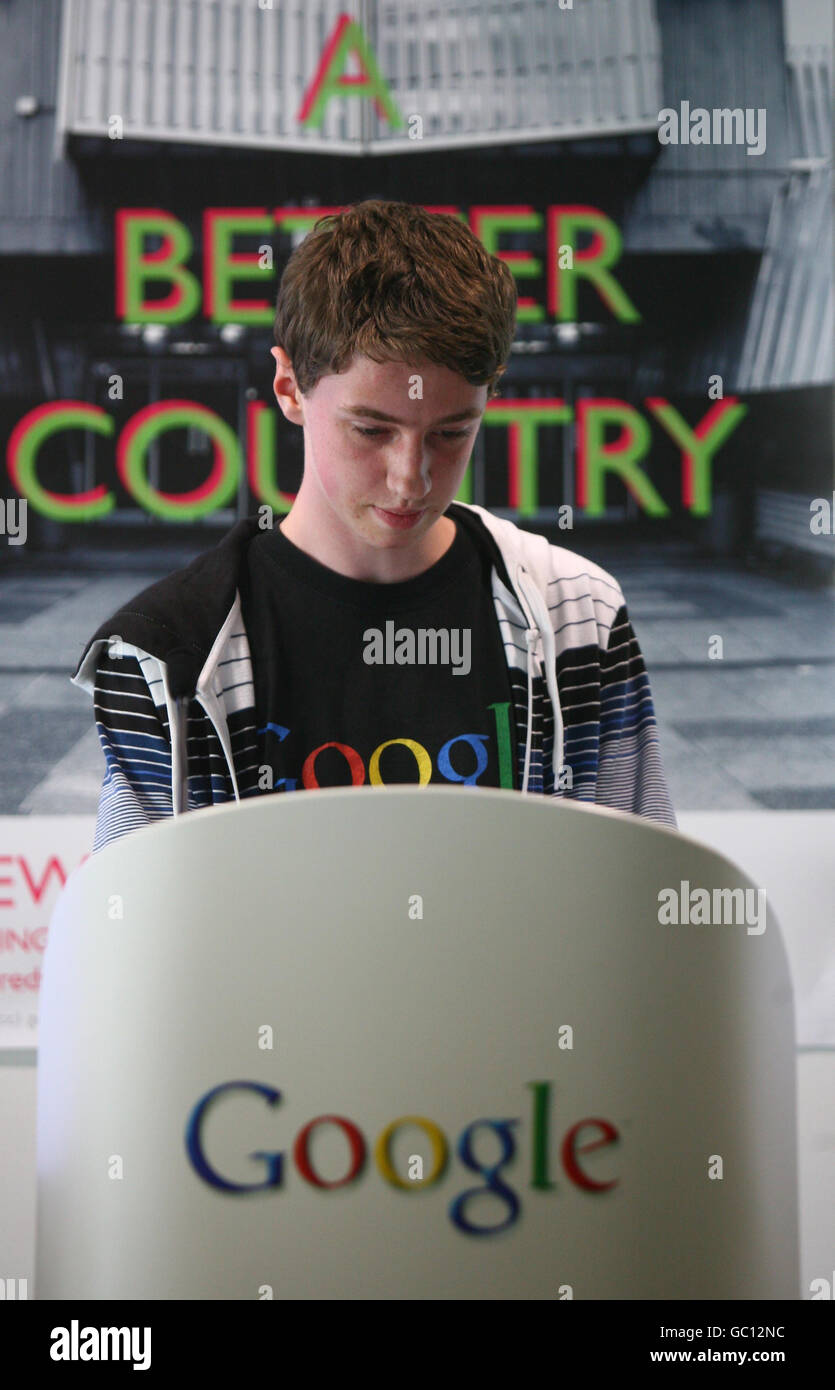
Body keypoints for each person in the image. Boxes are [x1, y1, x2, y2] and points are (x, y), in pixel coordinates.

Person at [72, 199, 676, 853]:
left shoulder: (577, 615)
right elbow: (136, 937)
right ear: (288, 388)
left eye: (451, 433)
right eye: (370, 429)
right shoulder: (166, 653)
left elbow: (636, 904)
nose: (409, 479)